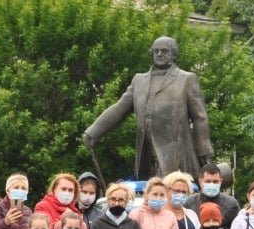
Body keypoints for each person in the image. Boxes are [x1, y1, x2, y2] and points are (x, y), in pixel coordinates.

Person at [84, 35, 214, 179]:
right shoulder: (139, 80)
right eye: (156, 51)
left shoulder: (186, 79)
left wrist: (205, 150)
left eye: (164, 51)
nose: (159, 54)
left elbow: (200, 117)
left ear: (174, 54)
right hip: (146, 154)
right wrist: (93, 132)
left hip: (176, 154)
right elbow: (119, 109)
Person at [186, 163, 240, 229]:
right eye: (208, 181)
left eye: (215, 181)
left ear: (220, 181)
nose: (212, 184)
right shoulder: (189, 203)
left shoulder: (232, 204)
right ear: (200, 182)